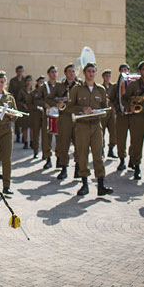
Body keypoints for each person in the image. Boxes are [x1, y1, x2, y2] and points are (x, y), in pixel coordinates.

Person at [67, 63, 114, 196]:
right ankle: (84, 185)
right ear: (84, 73)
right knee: (82, 155)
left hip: (96, 126)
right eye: (88, 71)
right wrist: (82, 109)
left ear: (96, 73)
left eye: (93, 71)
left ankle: (101, 185)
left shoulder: (101, 90)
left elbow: (105, 107)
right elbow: (69, 107)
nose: (91, 74)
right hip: (82, 126)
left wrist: (104, 113)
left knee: (98, 155)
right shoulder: (77, 89)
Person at [46, 64, 81, 180]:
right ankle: (64, 169)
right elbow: (49, 99)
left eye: (73, 71)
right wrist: (57, 104)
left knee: (79, 144)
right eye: (69, 71)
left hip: (77, 117)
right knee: (63, 144)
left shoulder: (80, 86)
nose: (72, 73)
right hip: (64, 117)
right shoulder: (59, 87)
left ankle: (78, 168)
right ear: (65, 73)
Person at [110, 63, 132, 171]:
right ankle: (122, 160)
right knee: (121, 139)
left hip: (133, 116)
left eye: (126, 69)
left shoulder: (134, 84)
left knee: (135, 139)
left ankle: (133, 160)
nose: (124, 71)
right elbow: (110, 99)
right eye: (122, 70)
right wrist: (115, 107)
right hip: (121, 116)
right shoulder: (116, 86)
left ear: (129, 70)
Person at [39, 66, 59, 168]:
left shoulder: (61, 86)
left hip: (59, 116)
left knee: (60, 138)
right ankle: (48, 159)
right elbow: (37, 100)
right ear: (48, 74)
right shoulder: (43, 87)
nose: (54, 74)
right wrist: (43, 104)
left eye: (55, 72)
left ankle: (60, 158)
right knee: (47, 139)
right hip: (47, 116)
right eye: (52, 72)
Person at [100, 69, 117, 159]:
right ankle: (101, 150)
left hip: (112, 112)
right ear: (103, 77)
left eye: (109, 76)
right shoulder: (100, 87)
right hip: (103, 112)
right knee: (101, 132)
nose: (107, 78)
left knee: (113, 131)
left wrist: (112, 103)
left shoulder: (113, 87)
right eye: (106, 76)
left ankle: (111, 149)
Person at [16, 75, 34, 149]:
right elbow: (18, 100)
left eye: (30, 80)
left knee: (32, 128)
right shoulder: (22, 90)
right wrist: (23, 105)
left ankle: (32, 142)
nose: (28, 82)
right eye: (27, 80)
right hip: (24, 111)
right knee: (25, 128)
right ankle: (26, 142)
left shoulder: (33, 91)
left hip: (32, 111)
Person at [30, 75, 46, 160]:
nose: (41, 84)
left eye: (43, 82)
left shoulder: (46, 93)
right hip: (36, 115)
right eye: (40, 82)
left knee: (45, 136)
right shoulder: (33, 93)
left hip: (44, 116)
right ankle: (35, 152)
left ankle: (45, 153)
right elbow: (29, 104)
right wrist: (36, 108)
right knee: (36, 135)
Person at [9, 65, 25, 143]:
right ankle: (18, 135)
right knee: (17, 120)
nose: (20, 73)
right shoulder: (13, 80)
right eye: (19, 71)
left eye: (21, 71)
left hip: (23, 103)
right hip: (16, 102)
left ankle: (23, 136)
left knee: (23, 120)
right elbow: (10, 91)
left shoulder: (25, 80)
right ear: (16, 72)